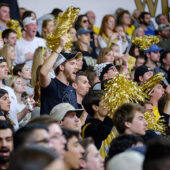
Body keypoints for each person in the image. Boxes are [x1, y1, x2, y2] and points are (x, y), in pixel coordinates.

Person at [39, 34, 80, 114]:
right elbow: (43, 73)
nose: (76, 67)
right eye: (72, 64)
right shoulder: (52, 85)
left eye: (76, 64)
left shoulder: (72, 89)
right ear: (61, 67)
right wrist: (60, 47)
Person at [82, 90, 115, 158]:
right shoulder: (89, 128)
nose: (109, 105)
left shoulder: (107, 125)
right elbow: (101, 133)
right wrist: (110, 117)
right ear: (95, 107)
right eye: (105, 102)